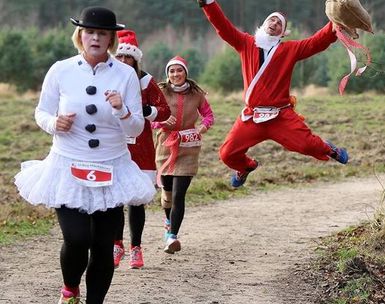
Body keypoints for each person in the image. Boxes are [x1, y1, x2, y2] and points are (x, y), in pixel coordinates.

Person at [13, 7, 155, 304]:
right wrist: (55, 124)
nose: (95, 38)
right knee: (77, 238)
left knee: (103, 245)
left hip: (111, 167)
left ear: (111, 39)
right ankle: (70, 289)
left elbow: (137, 126)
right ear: (80, 35)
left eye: (102, 33)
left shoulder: (126, 74)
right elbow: (41, 112)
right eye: (90, 32)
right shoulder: (61, 69)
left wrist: (122, 110)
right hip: (68, 164)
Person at [197, 0, 349, 188]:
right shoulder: (245, 43)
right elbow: (223, 26)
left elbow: (316, 42)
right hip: (252, 116)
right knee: (227, 154)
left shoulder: (289, 49)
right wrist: (208, 4)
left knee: (308, 145)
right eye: (272, 20)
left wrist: (335, 23)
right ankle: (246, 167)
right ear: (264, 24)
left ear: (283, 33)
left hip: (280, 116)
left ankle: (330, 150)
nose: (275, 24)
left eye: (279, 24)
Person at [112, 29, 171, 269]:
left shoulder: (146, 81)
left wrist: (147, 111)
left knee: (136, 200)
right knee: (115, 199)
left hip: (140, 146)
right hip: (113, 142)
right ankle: (117, 245)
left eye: (129, 58)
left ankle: (136, 247)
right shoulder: (109, 77)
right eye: (121, 57)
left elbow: (165, 111)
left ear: (136, 60)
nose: (125, 62)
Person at [154, 55, 214, 254]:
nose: (175, 74)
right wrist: (162, 123)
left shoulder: (196, 93)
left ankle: (172, 237)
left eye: (179, 70)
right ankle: (168, 220)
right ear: (167, 74)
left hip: (188, 147)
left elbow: (208, 115)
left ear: (185, 73)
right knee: (168, 193)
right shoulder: (161, 91)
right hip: (164, 146)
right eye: (171, 71)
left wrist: (200, 130)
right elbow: (150, 117)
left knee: (179, 195)